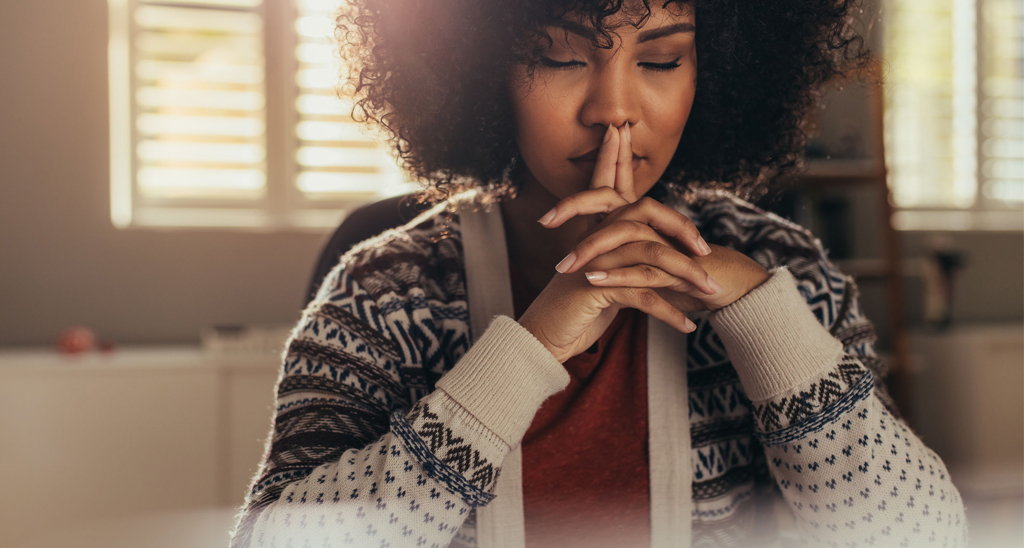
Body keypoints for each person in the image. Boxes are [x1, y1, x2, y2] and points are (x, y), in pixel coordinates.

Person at [229, 0, 968, 546]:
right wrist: (534, 344)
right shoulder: (388, 290)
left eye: (660, 60)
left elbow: (921, 536)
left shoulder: (783, 273)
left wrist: (758, 317)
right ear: (483, 71)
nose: (615, 109)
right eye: (559, 58)